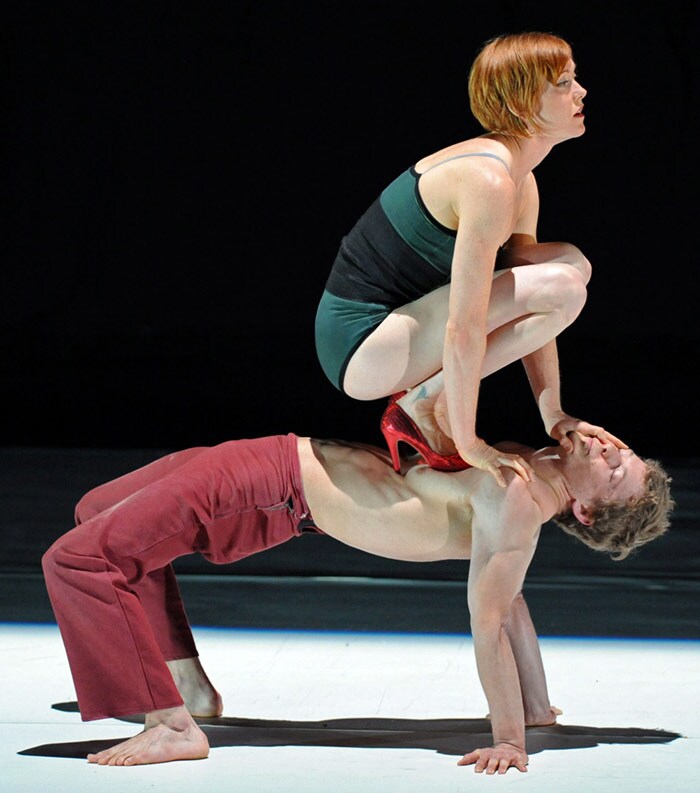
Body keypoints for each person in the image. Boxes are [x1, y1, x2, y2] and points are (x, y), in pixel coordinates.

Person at [41, 430, 673, 772]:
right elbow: (513, 605)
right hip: (274, 461)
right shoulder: (522, 468)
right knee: (95, 515)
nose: (613, 452)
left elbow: (488, 617)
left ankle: (172, 725)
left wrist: (509, 739)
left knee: (77, 558)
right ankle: (191, 692)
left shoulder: (516, 505)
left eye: (618, 473)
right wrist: (535, 709)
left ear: (586, 513)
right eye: (624, 451)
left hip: (270, 484)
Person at [315, 31, 619, 484]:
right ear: (521, 102)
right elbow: (465, 324)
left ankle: (427, 396)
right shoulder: (489, 179)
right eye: (563, 82)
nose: (581, 91)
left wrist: (552, 413)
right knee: (564, 283)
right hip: (360, 348)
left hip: (402, 331)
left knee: (570, 268)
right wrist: (469, 440)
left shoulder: (520, 181)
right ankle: (423, 403)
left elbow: (528, 300)